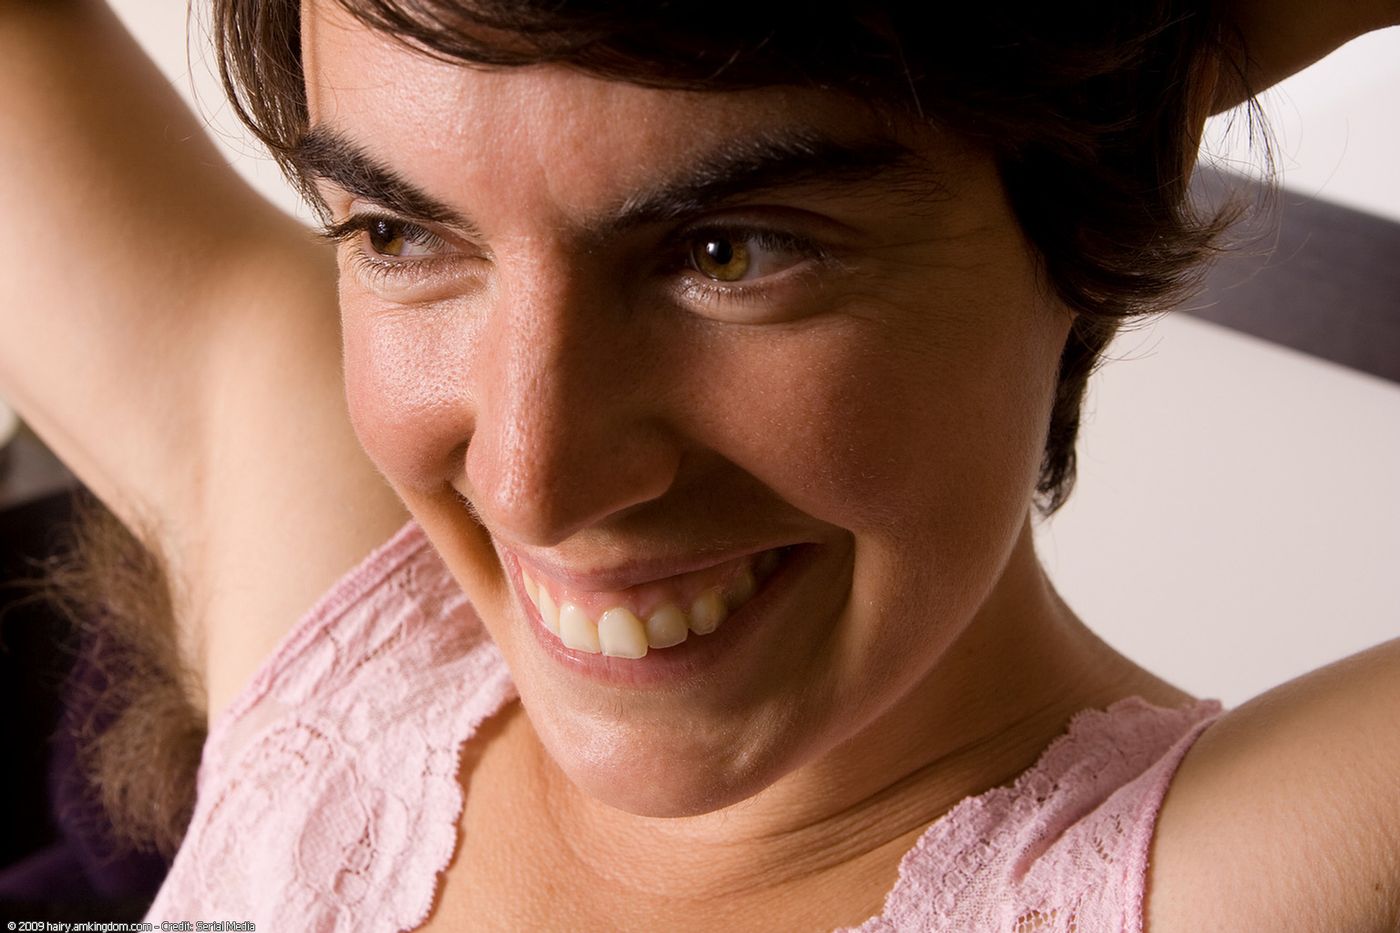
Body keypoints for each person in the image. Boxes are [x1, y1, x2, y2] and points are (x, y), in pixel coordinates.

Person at [1, 0, 1397, 929]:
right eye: (400, 233)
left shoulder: (1244, 883)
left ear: (1088, 217)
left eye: (731, 251)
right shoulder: (343, 610)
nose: (534, 480)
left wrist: (1125, 49)